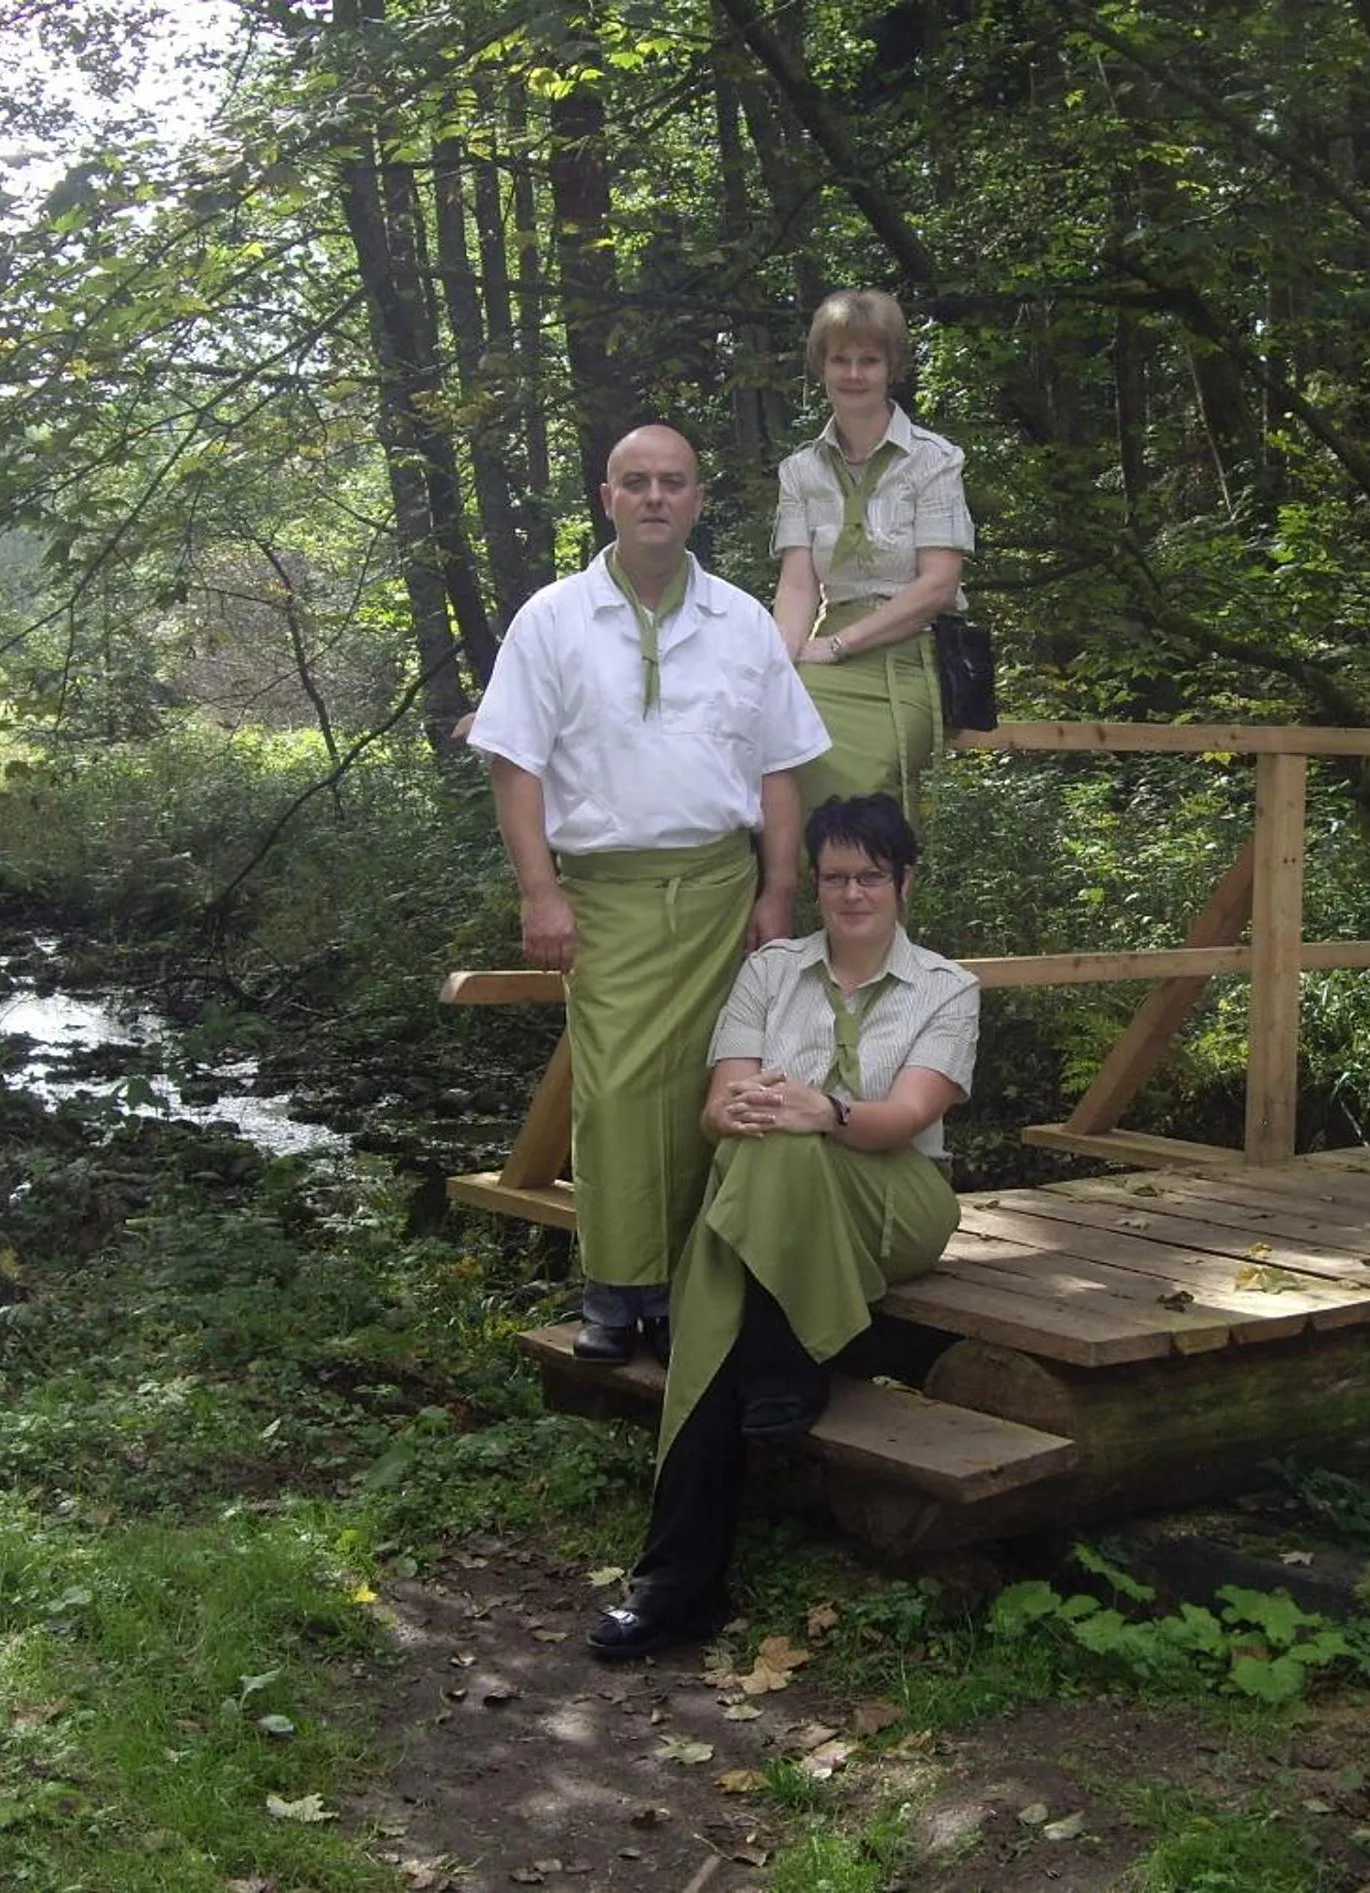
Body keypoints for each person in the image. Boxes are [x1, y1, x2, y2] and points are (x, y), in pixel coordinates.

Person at [466, 424, 829, 1367]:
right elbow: (514, 764)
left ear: (698, 500)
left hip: (720, 886)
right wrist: (538, 894)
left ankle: (690, 1289)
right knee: (621, 1090)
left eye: (673, 482)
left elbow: (782, 767)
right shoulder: (551, 618)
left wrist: (777, 891)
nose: (655, 497)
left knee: (718, 1083)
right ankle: (617, 1289)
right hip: (608, 894)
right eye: (637, 482)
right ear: (606, 497)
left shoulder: (741, 622)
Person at [588, 793, 977, 1659]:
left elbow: (903, 1117)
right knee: (770, 1161)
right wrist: (745, 1115)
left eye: (869, 876)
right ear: (813, 882)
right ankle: (777, 1367)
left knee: (777, 1172)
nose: (850, 894)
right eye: (833, 876)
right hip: (771, 1184)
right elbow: (715, 1108)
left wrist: (821, 1109)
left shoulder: (948, 987)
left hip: (894, 1201)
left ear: (903, 880)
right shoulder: (768, 972)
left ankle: (672, 1580)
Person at [773, 290, 974, 818]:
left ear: (893, 367)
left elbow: (939, 586)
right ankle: (801, 896)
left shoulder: (934, 460)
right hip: (822, 659)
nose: (854, 373)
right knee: (764, 745)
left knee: (861, 793)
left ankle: (876, 889)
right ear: (822, 366)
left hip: (909, 660)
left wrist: (838, 645)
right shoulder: (799, 471)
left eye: (869, 360)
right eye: (841, 359)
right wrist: (775, 665)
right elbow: (797, 584)